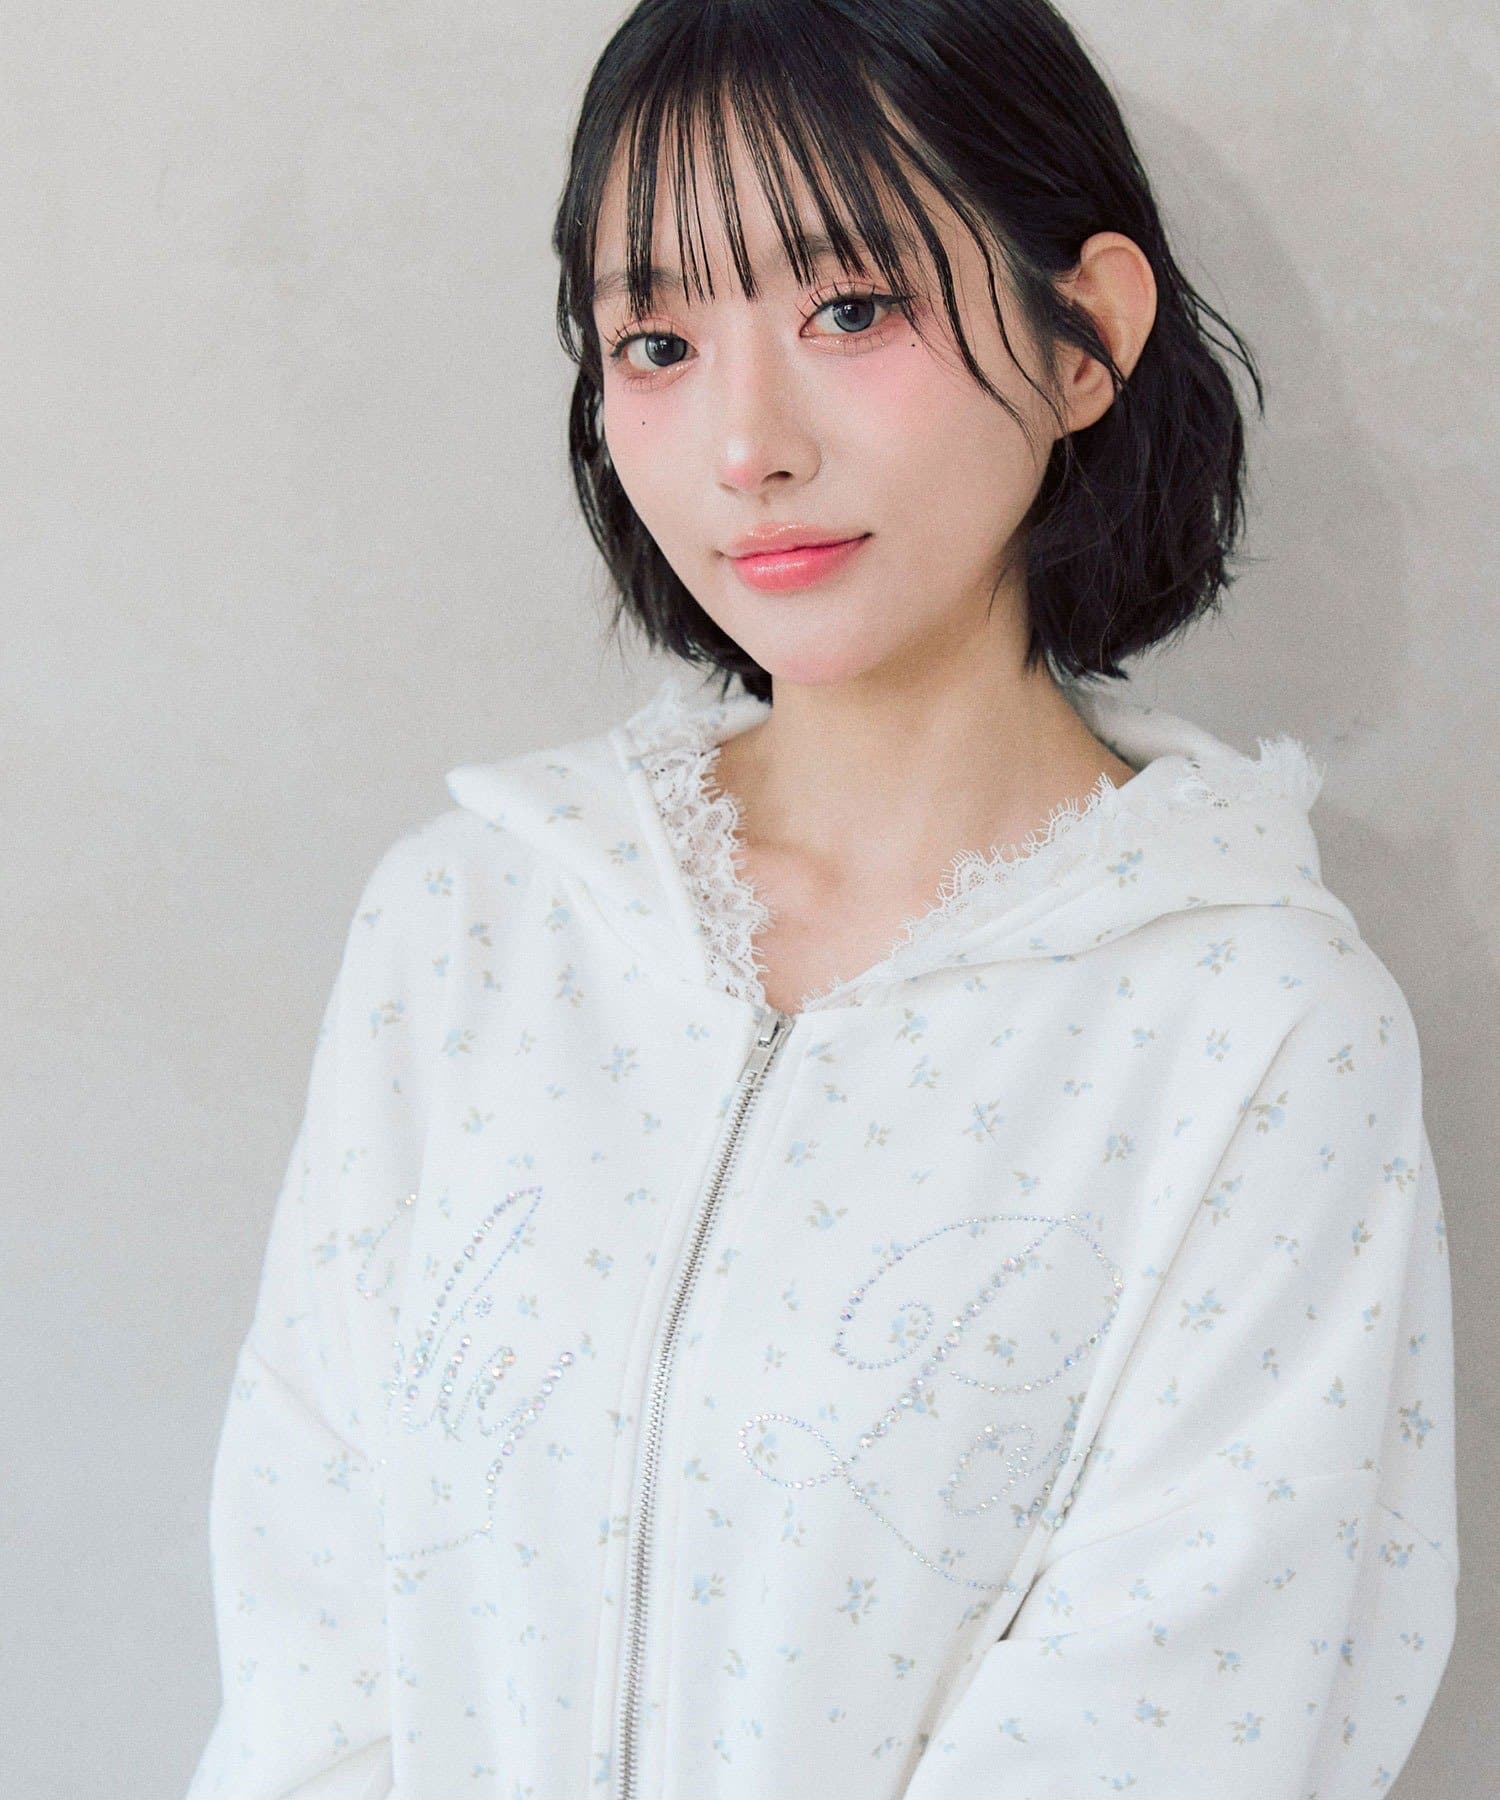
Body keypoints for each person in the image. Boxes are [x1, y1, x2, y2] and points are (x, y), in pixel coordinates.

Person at [185, 1, 1459, 1795]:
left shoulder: (1253, 1036)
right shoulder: (471, 933)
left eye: (851, 309)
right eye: (656, 341)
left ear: (1087, 334)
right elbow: (312, 1644)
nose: (745, 444)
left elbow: (1174, 1723)